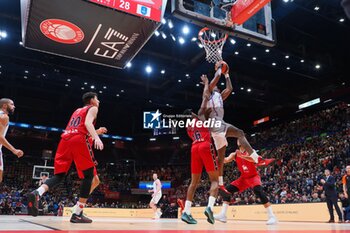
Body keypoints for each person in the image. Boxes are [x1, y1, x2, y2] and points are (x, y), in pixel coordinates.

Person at [27, 92, 106, 223]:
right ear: (92, 100)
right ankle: (77, 213)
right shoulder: (93, 108)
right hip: (78, 141)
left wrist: (97, 132)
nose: (99, 101)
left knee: (60, 175)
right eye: (97, 99)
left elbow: (79, 128)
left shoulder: (77, 111)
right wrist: (97, 138)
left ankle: (37, 192)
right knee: (89, 176)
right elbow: (87, 124)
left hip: (65, 140)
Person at [207, 62, 274, 193]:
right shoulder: (209, 93)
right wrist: (220, 69)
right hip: (215, 123)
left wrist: (227, 75)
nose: (217, 88)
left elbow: (230, 89)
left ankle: (220, 184)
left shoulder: (219, 96)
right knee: (239, 132)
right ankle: (257, 158)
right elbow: (214, 80)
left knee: (221, 156)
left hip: (216, 126)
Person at [181, 75, 219, 224]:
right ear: (191, 114)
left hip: (194, 148)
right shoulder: (200, 116)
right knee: (215, 180)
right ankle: (210, 208)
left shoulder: (187, 127)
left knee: (193, 182)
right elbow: (205, 96)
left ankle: (186, 212)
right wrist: (206, 83)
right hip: (204, 145)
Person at [214, 140, 277, 225]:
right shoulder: (235, 154)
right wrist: (218, 158)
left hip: (253, 176)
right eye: (238, 140)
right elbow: (226, 160)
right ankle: (223, 215)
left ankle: (272, 217)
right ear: (237, 143)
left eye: (241, 139)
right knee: (226, 190)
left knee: (258, 191)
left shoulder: (251, 151)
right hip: (243, 178)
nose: (239, 140)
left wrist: (243, 156)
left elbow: (255, 160)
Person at [0, 98, 24, 183]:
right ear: (5, 106)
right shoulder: (4, 116)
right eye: (12, 104)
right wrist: (14, 150)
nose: (14, 106)